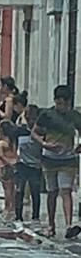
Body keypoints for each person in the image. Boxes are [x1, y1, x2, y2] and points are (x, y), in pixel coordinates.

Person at [33, 85, 81, 239]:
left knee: (65, 190)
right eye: (59, 103)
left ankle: (68, 225)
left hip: (69, 159)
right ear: (55, 101)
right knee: (52, 191)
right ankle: (51, 225)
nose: (62, 107)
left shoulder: (75, 117)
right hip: (49, 158)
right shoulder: (46, 115)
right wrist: (44, 144)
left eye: (65, 104)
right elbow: (34, 133)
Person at [15, 105, 42, 226]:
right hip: (22, 164)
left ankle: (35, 216)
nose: (31, 120)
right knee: (19, 190)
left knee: (35, 191)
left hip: (35, 165)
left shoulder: (41, 132)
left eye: (33, 118)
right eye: (28, 117)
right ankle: (18, 216)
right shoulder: (20, 131)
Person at [0, 119, 18, 220]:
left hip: (5, 166)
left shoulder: (1, 143)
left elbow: (1, 155)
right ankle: (13, 207)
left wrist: (7, 162)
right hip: (13, 164)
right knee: (13, 188)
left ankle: (7, 207)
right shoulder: (12, 142)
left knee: (7, 189)